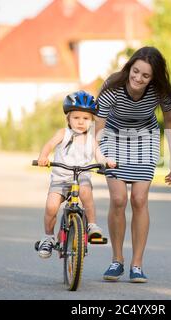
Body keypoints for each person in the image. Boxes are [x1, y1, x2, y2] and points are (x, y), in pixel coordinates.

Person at [95, 46, 171, 283]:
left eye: (145, 75)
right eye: (136, 71)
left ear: (154, 78)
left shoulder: (161, 91)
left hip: (145, 138)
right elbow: (99, 125)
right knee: (119, 199)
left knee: (139, 199)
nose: (138, 78)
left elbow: (170, 120)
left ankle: (137, 265)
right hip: (113, 136)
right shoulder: (112, 86)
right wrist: (98, 153)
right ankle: (116, 260)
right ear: (129, 67)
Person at [35, 90, 116, 259]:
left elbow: (98, 153)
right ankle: (48, 237)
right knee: (51, 206)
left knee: (86, 193)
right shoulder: (63, 134)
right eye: (76, 118)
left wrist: (106, 161)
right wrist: (43, 157)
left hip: (82, 177)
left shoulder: (91, 139)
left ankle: (92, 225)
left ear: (92, 120)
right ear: (68, 119)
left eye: (85, 118)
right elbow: (49, 145)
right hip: (60, 178)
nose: (80, 122)